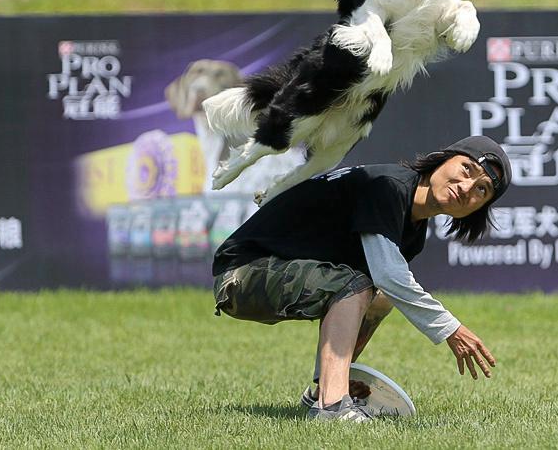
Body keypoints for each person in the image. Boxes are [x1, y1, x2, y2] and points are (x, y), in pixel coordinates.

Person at [211, 135, 512, 423]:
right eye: (467, 169)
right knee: (359, 283)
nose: (467, 186)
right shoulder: (389, 186)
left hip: (267, 273)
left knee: (378, 295)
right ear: (443, 159)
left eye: (482, 190)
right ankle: (332, 406)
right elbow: (389, 274)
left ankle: (324, 390)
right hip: (241, 273)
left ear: (478, 209)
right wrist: (450, 329)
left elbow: (384, 282)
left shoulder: (413, 229)